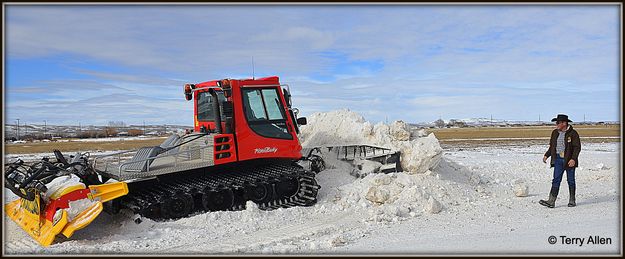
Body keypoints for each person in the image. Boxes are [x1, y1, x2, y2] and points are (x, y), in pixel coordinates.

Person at [539, 114, 581, 208]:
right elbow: (552, 146)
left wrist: (573, 159)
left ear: (564, 123)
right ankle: (551, 201)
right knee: (556, 180)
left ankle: (572, 200)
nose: (556, 124)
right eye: (556, 122)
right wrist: (547, 155)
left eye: (558, 122)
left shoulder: (573, 133)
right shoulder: (555, 133)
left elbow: (577, 148)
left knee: (571, 180)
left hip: (569, 160)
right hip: (558, 159)